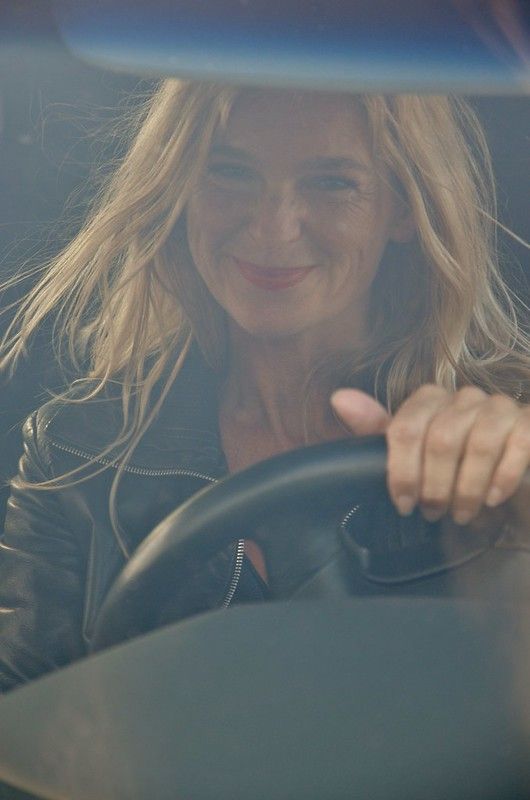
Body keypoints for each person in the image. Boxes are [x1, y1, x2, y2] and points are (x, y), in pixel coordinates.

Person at [0, 82, 529, 693]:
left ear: (405, 210)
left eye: (331, 183)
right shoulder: (77, 453)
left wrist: (513, 530)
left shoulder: (508, 432)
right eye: (231, 172)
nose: (273, 228)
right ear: (180, 189)